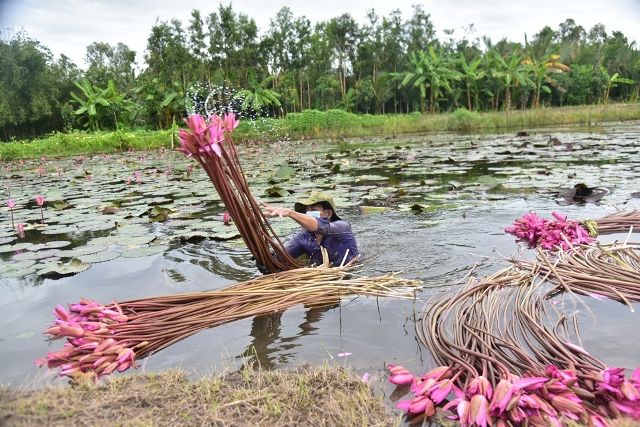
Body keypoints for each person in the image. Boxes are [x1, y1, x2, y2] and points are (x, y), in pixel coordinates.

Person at [259, 190, 359, 272]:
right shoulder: (304, 238)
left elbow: (320, 226)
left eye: (313, 209)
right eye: (307, 210)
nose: (308, 213)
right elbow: (280, 259)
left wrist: (291, 213)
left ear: (328, 213)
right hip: (321, 278)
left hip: (349, 274)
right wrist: (264, 257)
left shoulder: (342, 227)